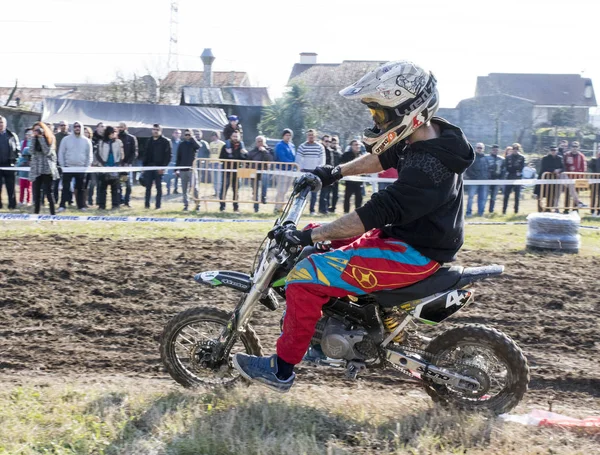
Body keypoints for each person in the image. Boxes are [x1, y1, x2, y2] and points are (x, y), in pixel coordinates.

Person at [232, 60, 474, 392]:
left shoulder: (429, 168)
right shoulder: (426, 136)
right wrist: (332, 172)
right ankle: (335, 323)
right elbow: (383, 157)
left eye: (380, 114)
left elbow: (368, 216)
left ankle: (281, 370)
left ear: (409, 109)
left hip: (412, 254)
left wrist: (308, 234)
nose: (376, 121)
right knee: (313, 243)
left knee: (304, 276)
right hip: (403, 239)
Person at [57, 121, 93, 211]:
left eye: (79, 127)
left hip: (81, 168)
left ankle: (81, 206)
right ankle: (62, 205)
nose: (77, 128)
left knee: (80, 188)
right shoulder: (66, 139)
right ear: (73, 128)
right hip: (68, 167)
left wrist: (86, 166)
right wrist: (62, 165)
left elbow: (89, 155)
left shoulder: (87, 141)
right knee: (65, 187)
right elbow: (61, 152)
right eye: (75, 126)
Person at [29, 122, 60, 215]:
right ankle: (36, 217)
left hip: (47, 169)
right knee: (36, 195)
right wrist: (34, 138)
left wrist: (41, 138)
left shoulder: (50, 138)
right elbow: (31, 151)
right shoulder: (33, 139)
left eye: (38, 129)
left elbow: (47, 151)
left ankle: (53, 216)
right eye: (35, 130)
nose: (36, 131)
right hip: (36, 169)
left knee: (49, 194)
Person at [296, 129, 325, 215]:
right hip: (304, 172)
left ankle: (312, 210)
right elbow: (298, 158)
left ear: (315, 136)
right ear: (307, 136)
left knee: (314, 192)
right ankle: (298, 210)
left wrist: (318, 169)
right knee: (302, 191)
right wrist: (301, 169)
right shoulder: (302, 146)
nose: (310, 136)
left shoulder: (320, 147)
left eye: (312, 135)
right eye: (309, 135)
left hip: (315, 172)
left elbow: (322, 160)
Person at [143, 124, 172, 210]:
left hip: (159, 167)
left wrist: (163, 168)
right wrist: (144, 167)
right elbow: (145, 155)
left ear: (160, 131)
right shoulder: (149, 141)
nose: (155, 131)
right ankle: (146, 205)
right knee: (148, 187)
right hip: (149, 167)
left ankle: (158, 206)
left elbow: (168, 156)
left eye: (157, 129)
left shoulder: (166, 141)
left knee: (158, 187)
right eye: (154, 129)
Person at [96, 126, 124, 210]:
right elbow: (98, 154)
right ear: (108, 133)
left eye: (115, 133)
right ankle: (101, 205)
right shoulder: (101, 142)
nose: (113, 134)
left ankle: (115, 205)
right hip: (104, 167)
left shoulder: (119, 142)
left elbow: (122, 154)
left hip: (115, 167)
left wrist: (118, 163)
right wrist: (103, 163)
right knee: (102, 188)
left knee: (115, 188)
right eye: (112, 133)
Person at [219, 130, 247, 212]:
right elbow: (221, 158)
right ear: (231, 137)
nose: (235, 138)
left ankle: (235, 207)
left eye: (236, 136)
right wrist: (227, 154)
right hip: (227, 171)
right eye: (234, 136)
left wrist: (245, 154)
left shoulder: (241, 147)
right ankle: (222, 207)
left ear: (239, 137)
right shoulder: (225, 146)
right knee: (224, 189)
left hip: (237, 171)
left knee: (236, 190)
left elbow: (245, 159)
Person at [175, 129, 200, 211]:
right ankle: (186, 205)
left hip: (192, 169)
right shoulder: (181, 144)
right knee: (184, 189)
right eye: (186, 134)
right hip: (183, 170)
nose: (187, 136)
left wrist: (193, 139)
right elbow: (178, 157)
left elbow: (199, 146)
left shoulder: (194, 144)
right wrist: (176, 169)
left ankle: (197, 205)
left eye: (189, 134)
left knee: (195, 188)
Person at [248, 135, 274, 213]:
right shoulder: (253, 151)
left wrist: (264, 151)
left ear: (264, 142)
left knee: (265, 179)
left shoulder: (269, 150)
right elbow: (248, 159)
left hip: (264, 171)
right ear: (256, 143)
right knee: (255, 190)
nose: (260, 143)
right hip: (254, 172)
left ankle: (263, 197)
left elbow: (270, 159)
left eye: (261, 141)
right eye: (258, 141)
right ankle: (256, 208)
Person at [0, 115, 21, 210]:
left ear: (5, 124)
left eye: (1, 123)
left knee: (11, 187)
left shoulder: (12, 136)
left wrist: (16, 160)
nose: (0, 125)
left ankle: (12, 205)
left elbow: (18, 150)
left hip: (9, 165)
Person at [464, 142, 490, 217]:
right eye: (478, 147)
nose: (479, 149)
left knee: (482, 198)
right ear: (475, 148)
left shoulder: (486, 158)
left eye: (481, 148)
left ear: (483, 149)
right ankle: (468, 212)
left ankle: (481, 213)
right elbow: (468, 169)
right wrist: (474, 177)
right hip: (474, 181)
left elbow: (488, 169)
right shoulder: (472, 157)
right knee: (471, 197)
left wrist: (487, 177)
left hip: (484, 181)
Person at [274, 128, 296, 212]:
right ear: (283, 136)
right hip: (282, 170)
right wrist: (293, 163)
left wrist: (294, 164)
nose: (288, 137)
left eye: (290, 135)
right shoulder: (280, 145)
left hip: (291, 171)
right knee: (281, 190)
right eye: (287, 135)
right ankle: (277, 207)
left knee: (286, 190)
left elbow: (294, 156)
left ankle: (282, 207)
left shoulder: (292, 145)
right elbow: (282, 158)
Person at [340, 140, 366, 213]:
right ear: (351, 146)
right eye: (355, 145)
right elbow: (342, 165)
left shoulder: (363, 155)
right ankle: (346, 212)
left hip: (359, 180)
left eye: (358, 145)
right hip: (349, 180)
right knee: (347, 197)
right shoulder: (346, 155)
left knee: (359, 198)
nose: (357, 146)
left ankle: (358, 213)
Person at [535, 146, 563, 211]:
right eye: (552, 150)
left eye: (555, 150)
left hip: (553, 180)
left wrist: (559, 170)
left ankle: (548, 209)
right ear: (550, 151)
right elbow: (545, 167)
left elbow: (563, 167)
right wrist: (553, 170)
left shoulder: (559, 158)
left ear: (557, 151)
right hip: (543, 178)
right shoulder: (545, 158)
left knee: (551, 195)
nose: (553, 151)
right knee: (540, 195)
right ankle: (540, 209)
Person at [117, 122, 138, 207]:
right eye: (119, 127)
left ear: (126, 128)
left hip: (127, 166)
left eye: (122, 127)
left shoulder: (131, 138)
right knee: (119, 184)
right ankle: (120, 200)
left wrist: (128, 163)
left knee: (128, 185)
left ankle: (127, 201)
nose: (120, 128)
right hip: (118, 166)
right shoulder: (116, 138)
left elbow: (135, 152)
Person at [563, 141, 587, 210]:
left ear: (578, 147)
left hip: (577, 178)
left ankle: (575, 209)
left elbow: (584, 168)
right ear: (571, 147)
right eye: (573, 146)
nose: (574, 148)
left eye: (576, 147)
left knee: (576, 192)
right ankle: (566, 209)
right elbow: (563, 165)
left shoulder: (581, 156)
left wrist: (581, 177)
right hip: (568, 177)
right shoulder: (566, 155)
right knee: (567, 194)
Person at [502, 144, 525, 214]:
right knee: (506, 195)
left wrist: (516, 170)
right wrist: (513, 170)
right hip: (509, 177)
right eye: (514, 149)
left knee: (517, 196)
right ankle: (504, 211)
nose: (515, 150)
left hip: (517, 177)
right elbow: (507, 167)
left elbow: (521, 167)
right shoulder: (508, 157)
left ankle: (516, 211)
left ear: (518, 150)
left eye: (516, 149)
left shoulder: (521, 157)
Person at [87, 122, 105, 207]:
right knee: (92, 183)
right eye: (101, 126)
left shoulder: (105, 138)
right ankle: (90, 200)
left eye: (104, 127)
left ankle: (98, 201)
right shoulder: (92, 138)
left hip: (101, 164)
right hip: (93, 164)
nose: (103, 128)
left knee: (100, 183)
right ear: (97, 128)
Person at [53, 120, 70, 203]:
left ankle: (69, 200)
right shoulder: (55, 136)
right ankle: (55, 199)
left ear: (68, 126)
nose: (63, 126)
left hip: (68, 162)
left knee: (67, 182)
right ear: (59, 126)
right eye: (61, 125)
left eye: (65, 125)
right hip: (57, 162)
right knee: (56, 182)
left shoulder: (71, 137)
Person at [318, 135, 335, 214]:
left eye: (329, 141)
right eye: (326, 141)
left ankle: (325, 208)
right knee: (323, 193)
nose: (328, 143)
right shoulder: (320, 149)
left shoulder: (330, 150)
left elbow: (331, 163)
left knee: (327, 193)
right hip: (321, 173)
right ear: (322, 141)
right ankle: (322, 209)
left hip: (329, 174)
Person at [486, 144, 504, 213]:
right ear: (491, 150)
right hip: (487, 180)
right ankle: (481, 211)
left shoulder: (501, 159)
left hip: (497, 180)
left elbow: (503, 170)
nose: (495, 151)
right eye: (494, 150)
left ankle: (491, 210)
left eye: (496, 150)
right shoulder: (486, 158)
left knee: (493, 197)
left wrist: (500, 179)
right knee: (485, 196)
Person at [328, 136, 343, 212]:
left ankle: (333, 207)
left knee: (335, 193)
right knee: (327, 192)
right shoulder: (329, 151)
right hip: (329, 175)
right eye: (333, 143)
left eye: (336, 143)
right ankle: (327, 206)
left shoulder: (339, 153)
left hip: (337, 175)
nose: (334, 144)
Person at [209, 131, 225, 197]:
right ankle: (216, 191)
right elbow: (210, 153)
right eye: (212, 135)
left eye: (214, 135)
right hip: (212, 162)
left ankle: (220, 191)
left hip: (219, 163)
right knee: (214, 179)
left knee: (219, 178)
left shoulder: (222, 144)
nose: (213, 137)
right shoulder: (211, 144)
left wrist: (221, 162)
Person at [166, 130, 181, 195]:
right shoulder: (170, 142)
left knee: (177, 176)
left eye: (178, 133)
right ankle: (168, 190)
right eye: (176, 133)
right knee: (169, 176)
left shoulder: (181, 143)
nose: (177, 134)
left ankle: (175, 189)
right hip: (170, 162)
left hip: (178, 162)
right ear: (173, 134)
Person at [589, 147, 600, 215]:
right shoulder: (594, 159)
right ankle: (592, 210)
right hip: (594, 180)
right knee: (593, 195)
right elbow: (589, 166)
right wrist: (594, 159)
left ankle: (599, 210)